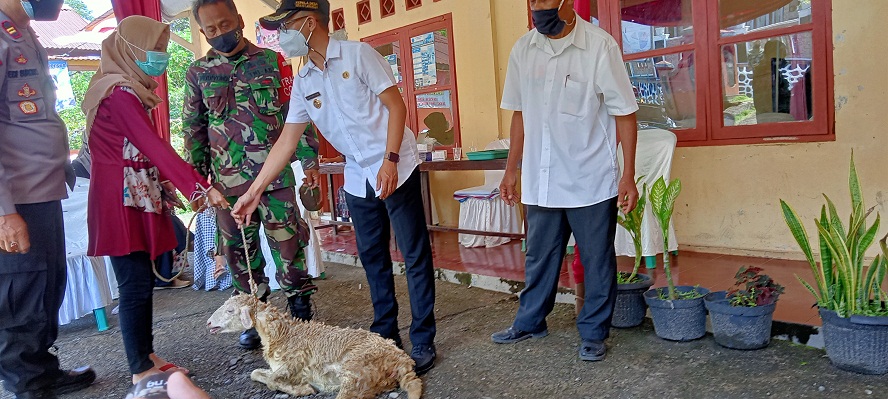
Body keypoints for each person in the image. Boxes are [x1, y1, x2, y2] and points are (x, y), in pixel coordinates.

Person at [234, 0, 438, 375]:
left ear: (310, 23)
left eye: (286, 26)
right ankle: (385, 336)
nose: (282, 37)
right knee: (373, 258)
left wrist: (391, 159)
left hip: (397, 164)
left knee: (413, 255)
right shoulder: (304, 79)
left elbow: (396, 106)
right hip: (358, 175)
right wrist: (254, 190)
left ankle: (423, 337)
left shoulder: (357, 55)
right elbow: (286, 141)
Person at [81, 15, 228, 384]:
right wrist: (200, 187)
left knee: (140, 282)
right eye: (156, 49)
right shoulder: (120, 94)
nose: (160, 57)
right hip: (121, 199)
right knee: (133, 284)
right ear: (130, 49)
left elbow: (144, 151)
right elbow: (153, 147)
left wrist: (177, 186)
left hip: (131, 194)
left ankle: (145, 354)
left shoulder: (121, 88)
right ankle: (139, 369)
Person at [490, 0, 640, 362]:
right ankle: (530, 322)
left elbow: (625, 114)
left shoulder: (600, 47)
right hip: (541, 178)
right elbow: (520, 114)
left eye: (545, 0)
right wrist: (511, 170)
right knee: (539, 256)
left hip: (590, 178)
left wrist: (628, 175)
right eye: (533, 2)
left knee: (596, 259)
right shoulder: (524, 49)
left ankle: (593, 333)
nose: (538, 7)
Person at [183, 0, 322, 351]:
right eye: (211, 30)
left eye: (224, 24)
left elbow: (296, 114)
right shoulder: (198, 73)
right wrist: (199, 184)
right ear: (202, 32)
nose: (219, 33)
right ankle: (253, 317)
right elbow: (193, 130)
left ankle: (300, 310)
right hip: (227, 187)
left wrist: (310, 163)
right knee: (240, 254)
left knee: (290, 246)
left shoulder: (273, 62)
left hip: (275, 181)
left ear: (239, 21)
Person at [0, 0, 97, 397]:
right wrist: (5, 211)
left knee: (46, 287)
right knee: (22, 293)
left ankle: (42, 368)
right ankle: (28, 384)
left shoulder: (22, 33)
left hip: (43, 189)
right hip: (17, 197)